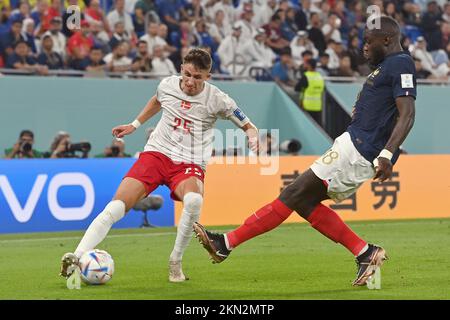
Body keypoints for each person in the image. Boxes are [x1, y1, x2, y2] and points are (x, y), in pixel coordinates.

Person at [193, 16, 417, 287]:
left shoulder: (401, 63)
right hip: (353, 144)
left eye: (369, 42)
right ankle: (365, 252)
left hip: (359, 149)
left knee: (293, 194)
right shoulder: (386, 67)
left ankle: (226, 244)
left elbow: (407, 114)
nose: (364, 48)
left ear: (387, 40)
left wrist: (386, 153)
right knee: (302, 201)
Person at [59, 48, 259, 283]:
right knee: (116, 206)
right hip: (157, 154)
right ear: (181, 69)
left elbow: (249, 125)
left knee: (194, 200)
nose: (190, 81)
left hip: (189, 162)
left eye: (198, 77)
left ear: (208, 77)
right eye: (187, 74)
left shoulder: (218, 99)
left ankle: (175, 261)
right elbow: (157, 100)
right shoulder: (168, 85)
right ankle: (77, 256)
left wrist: (252, 137)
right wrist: (135, 124)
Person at [295, 58, 325, 126]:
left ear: (309, 65)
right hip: (318, 106)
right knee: (317, 127)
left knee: (307, 126)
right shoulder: (320, 76)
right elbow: (322, 89)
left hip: (307, 106)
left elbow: (297, 88)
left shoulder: (306, 76)